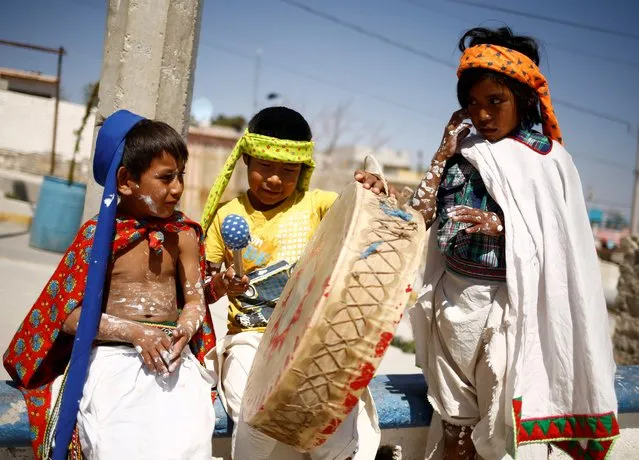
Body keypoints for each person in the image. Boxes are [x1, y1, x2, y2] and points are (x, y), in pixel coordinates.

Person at [407, 27, 619, 459]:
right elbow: (418, 216)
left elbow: (557, 245)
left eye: (494, 101)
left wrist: (502, 225)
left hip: (508, 314)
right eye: (472, 104)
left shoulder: (546, 160)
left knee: (499, 433)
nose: (482, 114)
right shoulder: (460, 153)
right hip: (451, 307)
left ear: (523, 100)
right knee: (455, 431)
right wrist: (440, 154)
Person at [3, 110, 217, 460]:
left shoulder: (185, 236)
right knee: (118, 442)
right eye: (166, 178)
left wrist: (184, 328)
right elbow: (67, 317)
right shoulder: (98, 237)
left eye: (180, 176)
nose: (177, 188)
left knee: (189, 441)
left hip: (173, 360)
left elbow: (194, 301)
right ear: (126, 181)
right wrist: (136, 334)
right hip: (111, 359)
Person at [201, 106, 385, 460]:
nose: (274, 179)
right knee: (250, 407)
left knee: (332, 422)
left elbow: (362, 213)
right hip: (249, 340)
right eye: (265, 167)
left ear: (303, 170)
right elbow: (202, 285)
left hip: (310, 340)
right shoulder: (227, 214)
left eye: (287, 170)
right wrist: (224, 282)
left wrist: (372, 189)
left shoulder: (319, 205)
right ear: (247, 161)